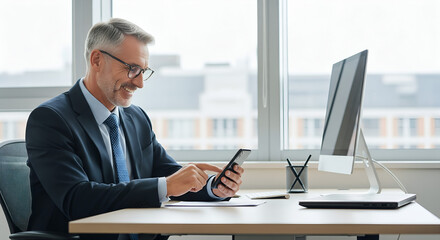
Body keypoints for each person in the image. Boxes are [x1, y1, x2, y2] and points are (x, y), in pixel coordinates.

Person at [25, 18, 244, 240]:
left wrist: (213, 188)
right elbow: (77, 199)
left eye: (143, 71)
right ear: (97, 60)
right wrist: (167, 185)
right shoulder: (51, 120)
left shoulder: (135, 118)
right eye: (132, 69)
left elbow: (168, 175)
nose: (139, 83)